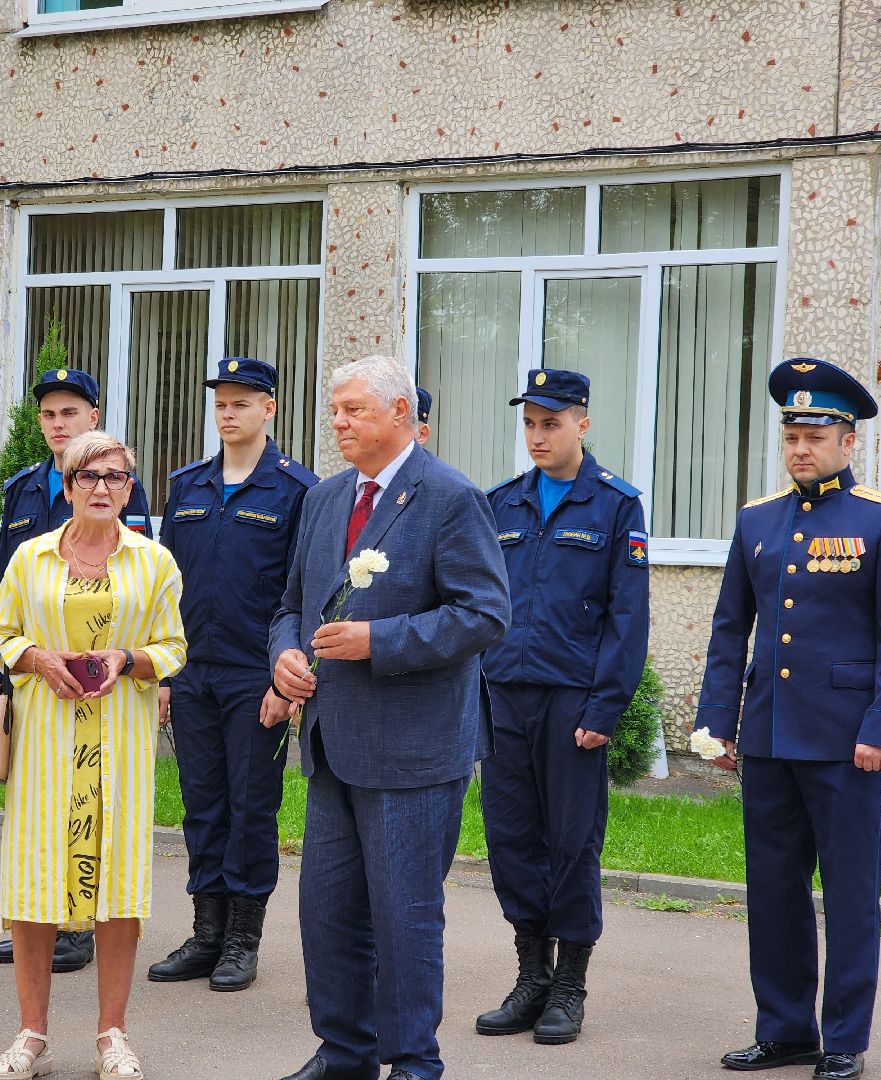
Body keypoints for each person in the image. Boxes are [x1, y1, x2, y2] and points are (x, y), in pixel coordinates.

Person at [270, 355, 511, 1080]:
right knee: (327, 914)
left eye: (353, 410)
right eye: (335, 410)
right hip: (331, 742)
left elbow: (485, 614)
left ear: (400, 413)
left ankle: (412, 1063)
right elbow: (290, 605)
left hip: (412, 749)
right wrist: (281, 656)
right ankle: (344, 1053)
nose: (337, 423)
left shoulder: (449, 497)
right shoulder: (325, 498)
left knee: (404, 921)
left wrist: (381, 641)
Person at [695, 358, 881, 1080]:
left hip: (846, 743)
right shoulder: (757, 520)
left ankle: (844, 1041)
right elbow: (729, 626)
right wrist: (718, 723)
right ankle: (785, 1029)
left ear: (848, 442)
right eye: (791, 435)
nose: (801, 448)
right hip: (768, 737)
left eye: (816, 435)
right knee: (772, 892)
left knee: (851, 893)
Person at [0, 431, 186, 1080]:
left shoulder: (155, 563)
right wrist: (37, 657)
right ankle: (31, 1036)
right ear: (66, 487)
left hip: (118, 745)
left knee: (119, 888)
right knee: (34, 886)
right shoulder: (31, 558)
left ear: (131, 489)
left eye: (116, 478)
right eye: (88, 477)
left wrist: (127, 660)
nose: (102, 488)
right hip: (45, 745)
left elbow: (175, 648)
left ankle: (112, 1036)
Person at [474, 368, 649, 1045]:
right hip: (504, 696)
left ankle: (571, 984)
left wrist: (605, 707)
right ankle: (532, 977)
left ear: (583, 423)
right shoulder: (501, 503)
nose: (539, 435)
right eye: (530, 423)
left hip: (574, 701)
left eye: (552, 422)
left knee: (571, 843)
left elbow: (626, 619)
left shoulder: (614, 505)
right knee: (511, 839)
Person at [0, 366, 152, 975]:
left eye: (69, 413)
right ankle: (41, 918)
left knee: (92, 798)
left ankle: (80, 930)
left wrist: (157, 674)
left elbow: (146, 591)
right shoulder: (25, 487)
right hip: (35, 675)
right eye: (48, 414)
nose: (57, 424)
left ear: (92, 418)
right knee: (37, 801)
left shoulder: (119, 481)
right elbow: (2, 579)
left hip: (103, 682)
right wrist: (1, 664)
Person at [148, 357, 317, 993]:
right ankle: (207, 930)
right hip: (191, 672)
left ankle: (243, 936)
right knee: (203, 803)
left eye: (242, 401)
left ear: (269, 408)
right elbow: (165, 589)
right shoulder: (187, 485)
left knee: (251, 807)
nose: (228, 411)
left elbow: (304, 593)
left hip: (256, 674)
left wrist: (286, 682)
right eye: (221, 400)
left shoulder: (298, 490)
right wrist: (163, 674)